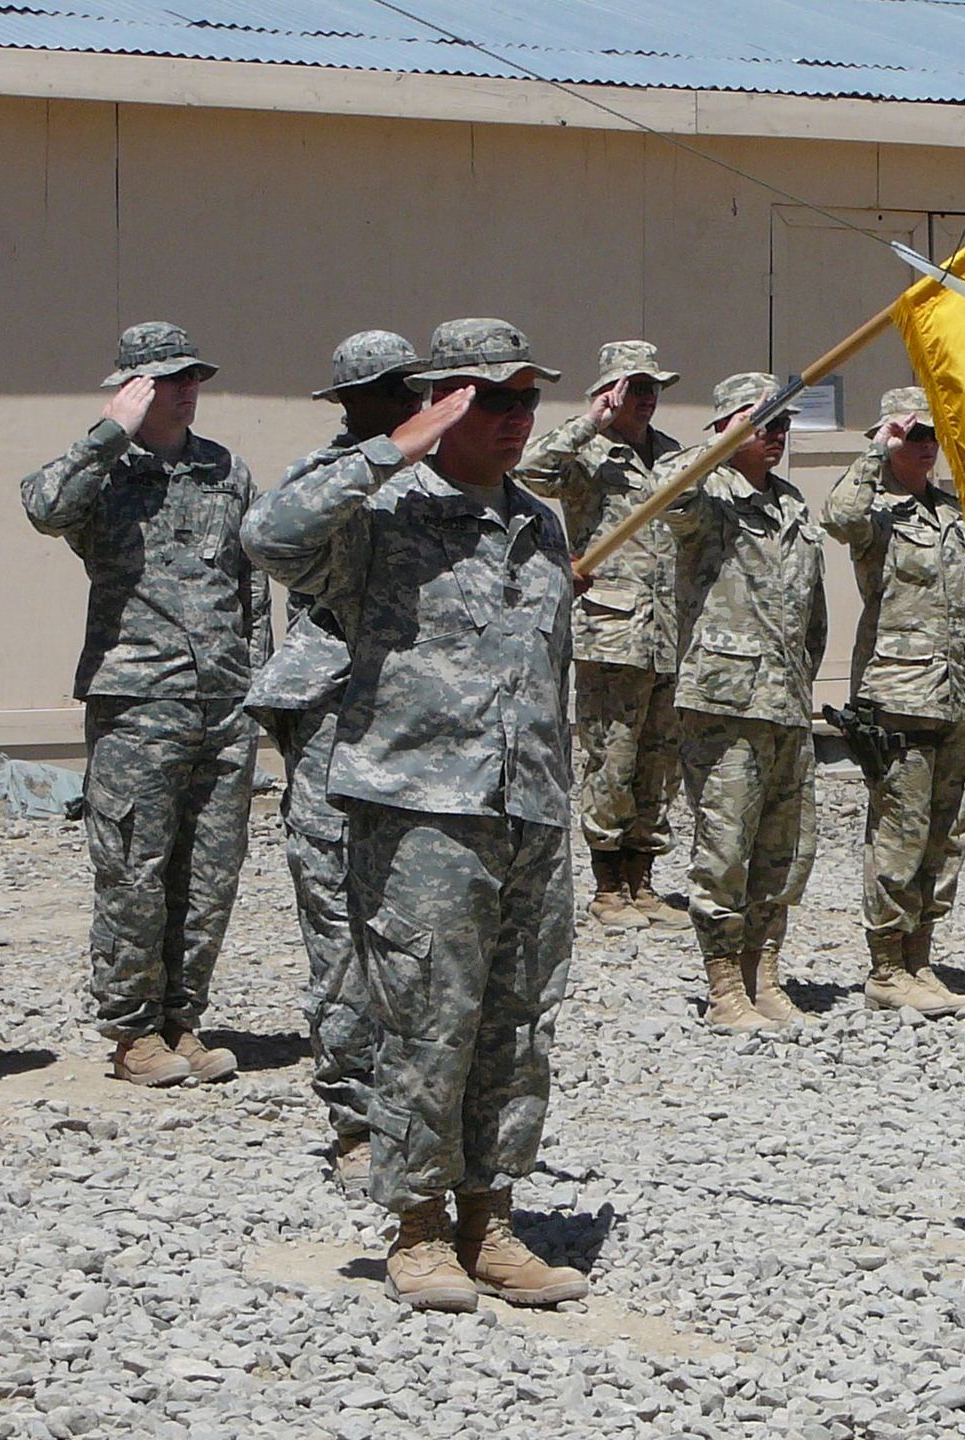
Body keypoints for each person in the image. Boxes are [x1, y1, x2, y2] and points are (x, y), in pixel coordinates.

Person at [242, 318, 588, 1310]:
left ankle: (492, 1221)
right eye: (493, 399)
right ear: (443, 402)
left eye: (528, 399)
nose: (517, 418)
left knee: (517, 1025)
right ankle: (418, 1229)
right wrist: (391, 445)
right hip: (419, 808)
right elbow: (270, 535)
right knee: (430, 1023)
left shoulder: (540, 523)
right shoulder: (384, 514)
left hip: (528, 806)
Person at [21, 322, 269, 1087]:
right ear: (133, 388)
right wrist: (108, 434)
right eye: (168, 380)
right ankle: (132, 1033)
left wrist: (257, 681)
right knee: (134, 866)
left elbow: (250, 582)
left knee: (211, 870)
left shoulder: (224, 469)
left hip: (222, 698)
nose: (187, 389)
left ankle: (182, 1018)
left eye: (193, 376)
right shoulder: (101, 471)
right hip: (137, 698)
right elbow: (44, 506)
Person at [244, 330, 426, 1191]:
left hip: (425, 733)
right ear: (348, 401)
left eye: (408, 388)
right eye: (385, 391)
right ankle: (356, 1113)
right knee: (340, 918)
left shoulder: (446, 482)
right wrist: (386, 457)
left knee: (419, 923)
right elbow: (273, 541)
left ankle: (423, 1115)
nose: (401, 402)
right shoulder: (325, 480)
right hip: (334, 721)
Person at [659, 373, 826, 1034]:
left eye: (783, 425)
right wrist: (712, 448)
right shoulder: (709, 499)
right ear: (728, 427)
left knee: (786, 847)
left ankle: (765, 968)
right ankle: (724, 981)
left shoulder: (791, 505)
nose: (776, 437)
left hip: (785, 701)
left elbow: (812, 616)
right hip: (727, 703)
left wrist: (803, 680)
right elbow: (660, 495)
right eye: (763, 424)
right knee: (725, 845)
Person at [821, 387, 965, 1016]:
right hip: (898, 696)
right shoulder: (878, 515)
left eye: (930, 436)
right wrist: (874, 450)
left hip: (956, 697)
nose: (924, 446)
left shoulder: (954, 513)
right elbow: (837, 518)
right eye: (912, 435)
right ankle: (886, 967)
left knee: (948, 834)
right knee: (902, 830)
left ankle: (922, 957)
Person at [518, 341, 687, 931]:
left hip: (670, 631)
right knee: (611, 758)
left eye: (652, 389)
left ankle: (644, 879)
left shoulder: (671, 455)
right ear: (610, 391)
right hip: (612, 629)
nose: (645, 399)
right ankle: (607, 883)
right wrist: (590, 421)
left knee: (658, 761)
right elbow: (530, 469)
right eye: (633, 388)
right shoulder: (587, 453)